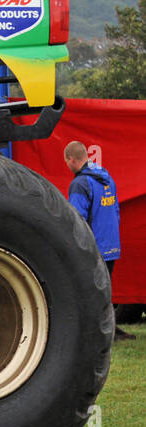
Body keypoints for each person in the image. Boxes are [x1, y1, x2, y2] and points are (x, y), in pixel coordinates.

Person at [64, 140, 130, 340]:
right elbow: (115, 210)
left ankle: (99, 334)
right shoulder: (106, 177)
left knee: (91, 291)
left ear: (72, 159)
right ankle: (110, 329)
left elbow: (77, 218)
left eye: (66, 162)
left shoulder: (80, 183)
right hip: (111, 243)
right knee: (105, 289)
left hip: (94, 247)